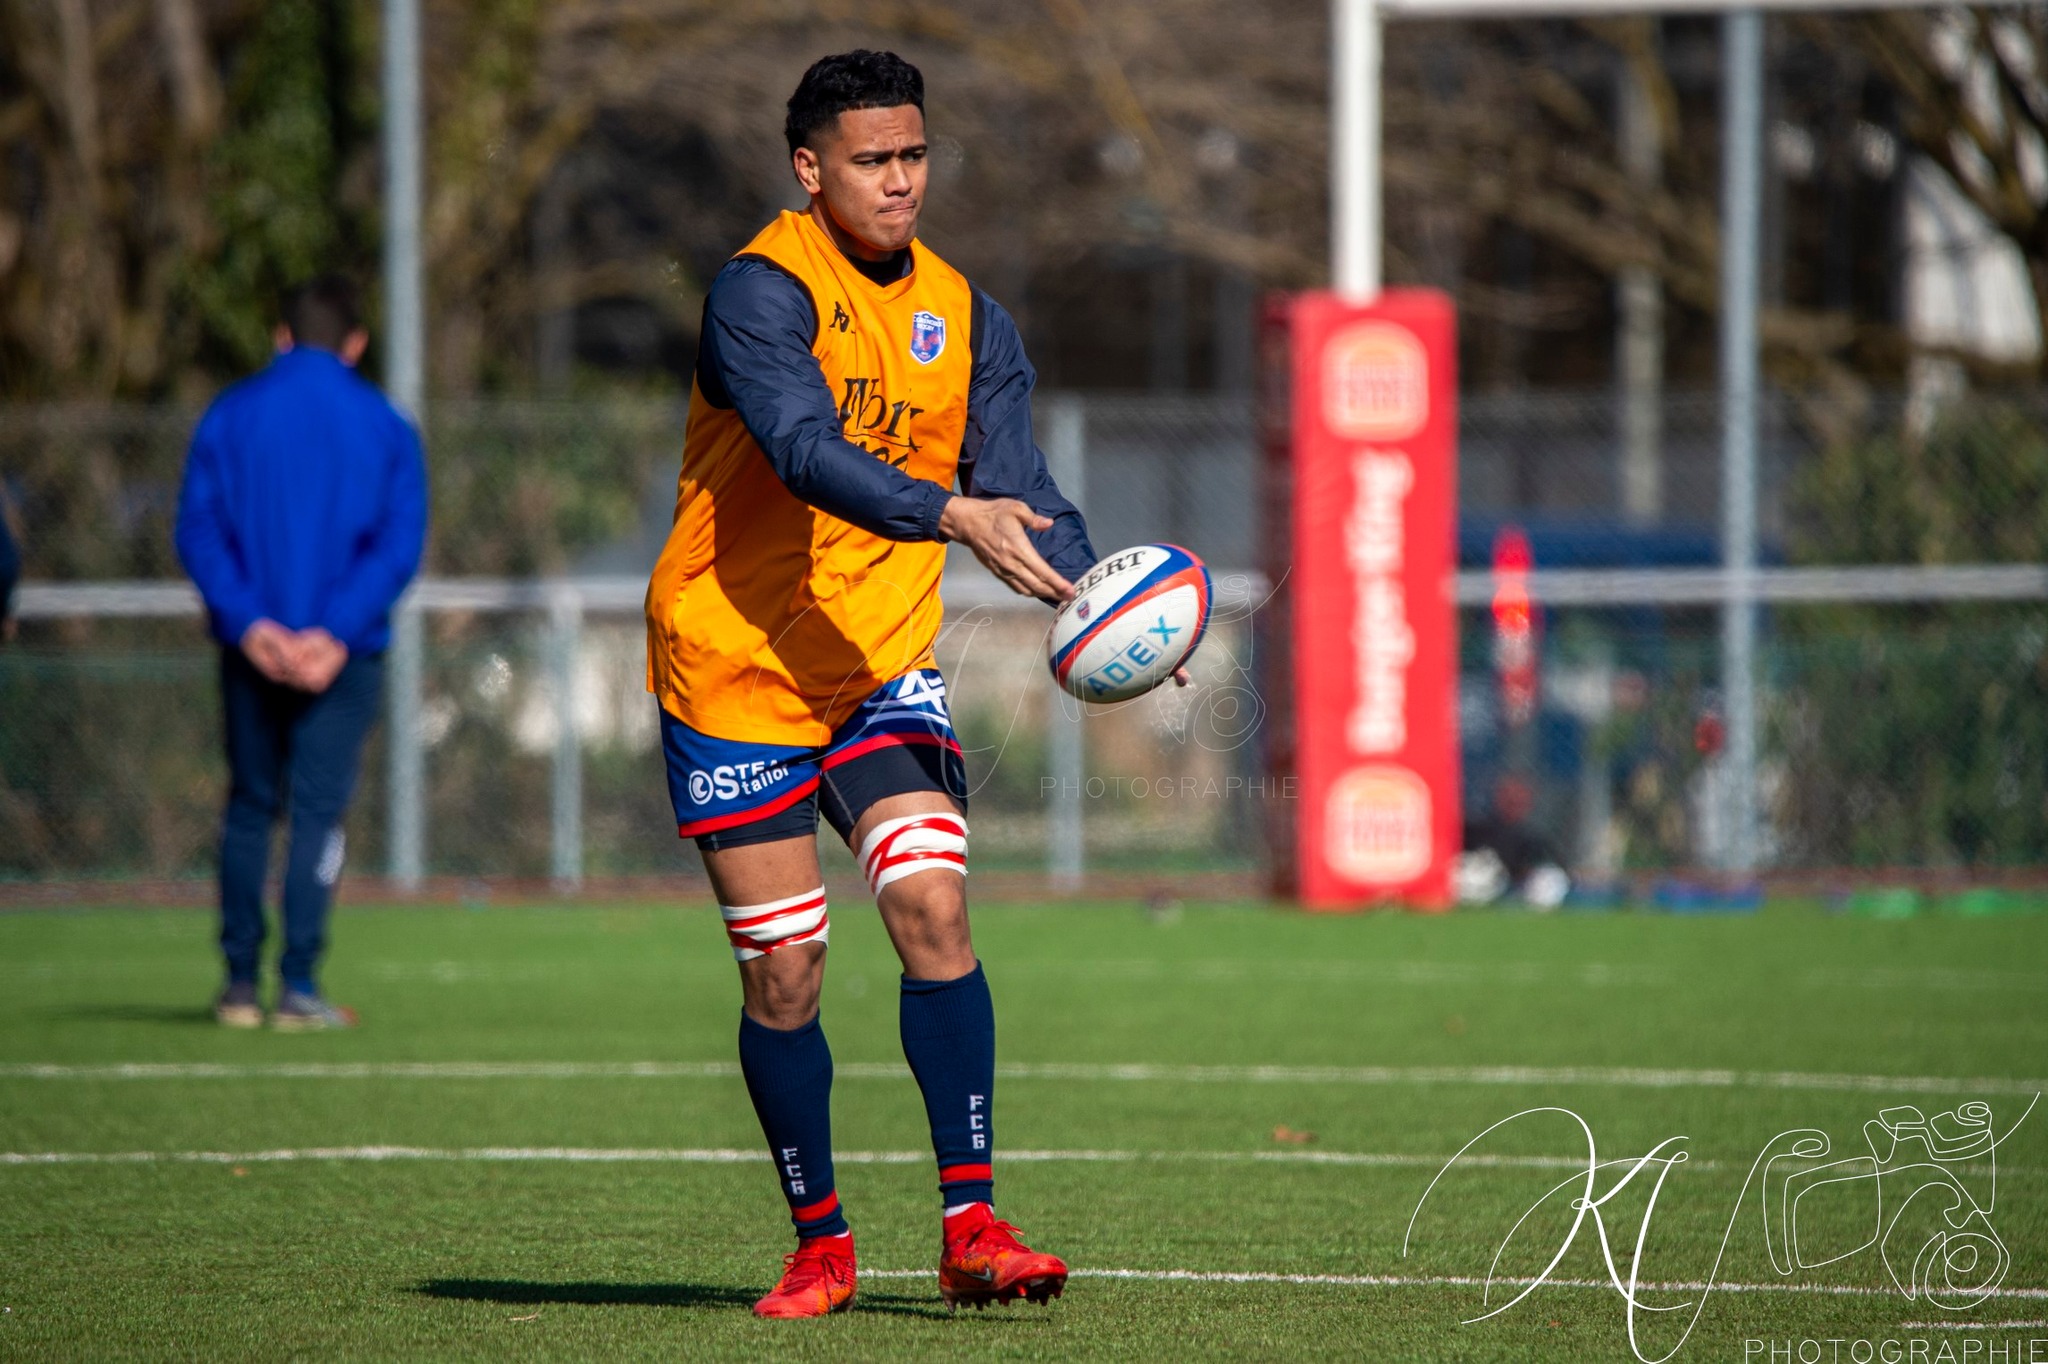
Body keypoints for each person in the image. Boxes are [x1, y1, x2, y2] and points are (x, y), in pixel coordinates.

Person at [644, 50, 1180, 1319]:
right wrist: (949, 513)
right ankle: (821, 1240)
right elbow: (800, 448)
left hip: (876, 662)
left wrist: (1107, 590)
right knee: (786, 973)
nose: (899, 181)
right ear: (809, 167)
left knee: (931, 905)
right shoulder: (760, 293)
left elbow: (1017, 481)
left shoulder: (966, 312)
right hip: (731, 665)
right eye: (873, 160)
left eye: (914, 155)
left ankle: (971, 1225)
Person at [175, 275, 426, 1031]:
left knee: (251, 806)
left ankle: (237, 986)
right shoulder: (385, 424)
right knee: (319, 813)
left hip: (250, 650)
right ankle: (299, 986)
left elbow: (198, 529)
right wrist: (334, 632)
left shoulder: (230, 414)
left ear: (281, 335)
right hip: (341, 657)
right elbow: (397, 543)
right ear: (355, 343)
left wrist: (251, 624)